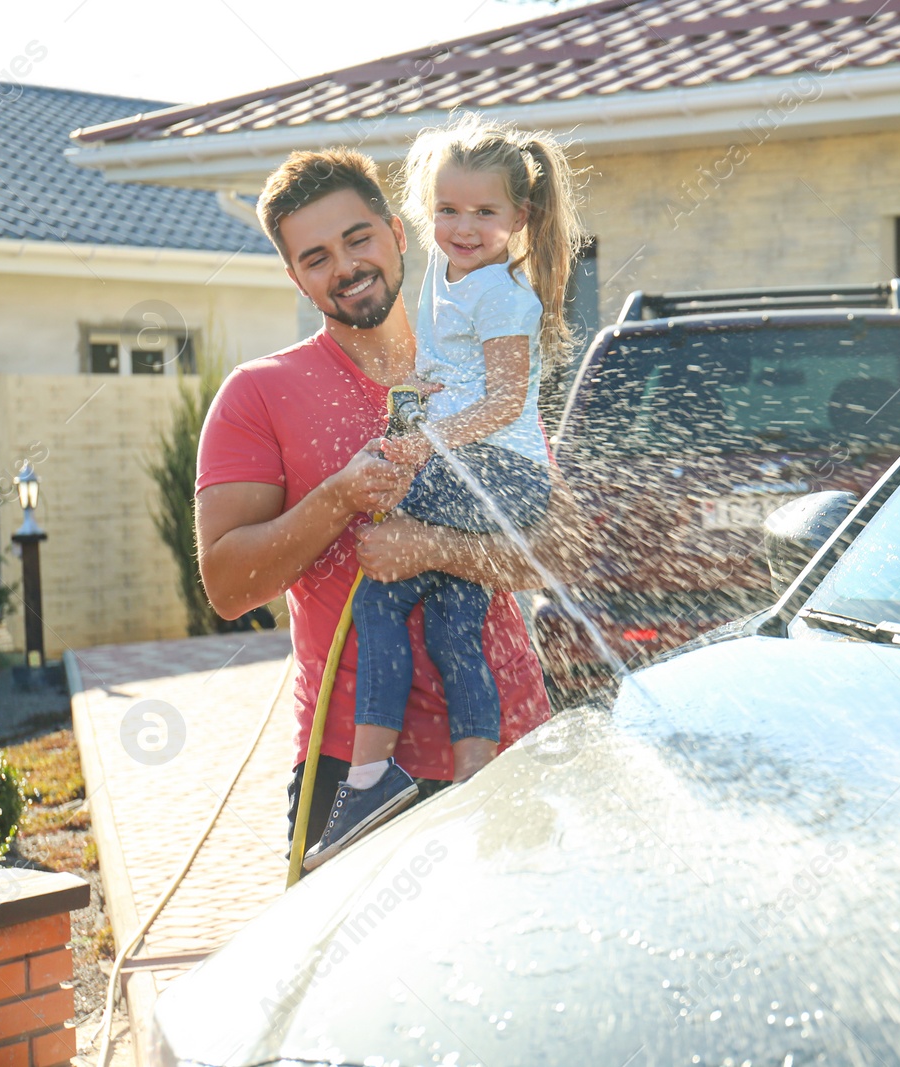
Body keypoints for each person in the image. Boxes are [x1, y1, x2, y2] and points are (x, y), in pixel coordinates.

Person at [194, 146, 586, 859]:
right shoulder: (258, 396)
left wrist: (435, 549)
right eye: (316, 258)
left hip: (503, 741)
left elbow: (561, 550)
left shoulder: (473, 364)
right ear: (294, 276)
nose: (344, 267)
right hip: (358, 769)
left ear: (397, 233)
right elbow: (227, 585)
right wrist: (339, 496)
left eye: (357, 239)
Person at [302, 117, 581, 869]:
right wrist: (420, 390)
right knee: (458, 626)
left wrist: (426, 438)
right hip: (474, 467)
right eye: (449, 210)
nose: (464, 226)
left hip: (498, 472)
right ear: (427, 213)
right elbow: (455, 377)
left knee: (381, 598)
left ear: (519, 218)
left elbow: (502, 402)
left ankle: (367, 779)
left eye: (485, 213)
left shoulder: (504, 297)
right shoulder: (443, 274)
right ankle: (476, 777)